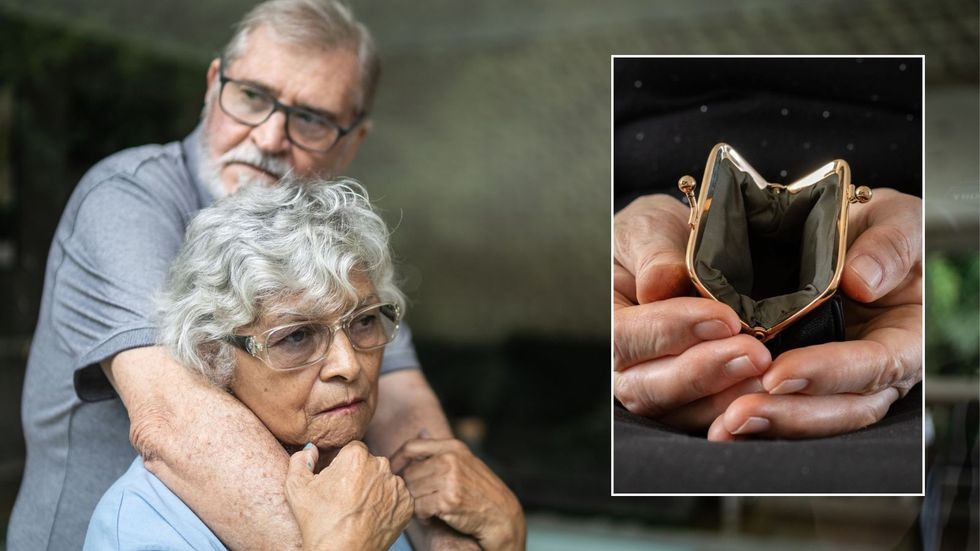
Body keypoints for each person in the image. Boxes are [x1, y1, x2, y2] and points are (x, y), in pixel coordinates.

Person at [9, 1, 477, 549]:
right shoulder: (125, 201)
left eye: (311, 118)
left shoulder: (331, 247)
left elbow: (402, 417)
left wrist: (460, 535)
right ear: (214, 85)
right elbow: (178, 424)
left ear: (351, 142)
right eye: (252, 96)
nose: (271, 136)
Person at [82, 179, 524, 550]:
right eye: (295, 337)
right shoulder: (147, 526)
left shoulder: (389, 484)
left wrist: (507, 533)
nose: (347, 365)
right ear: (213, 355)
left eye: (365, 321)